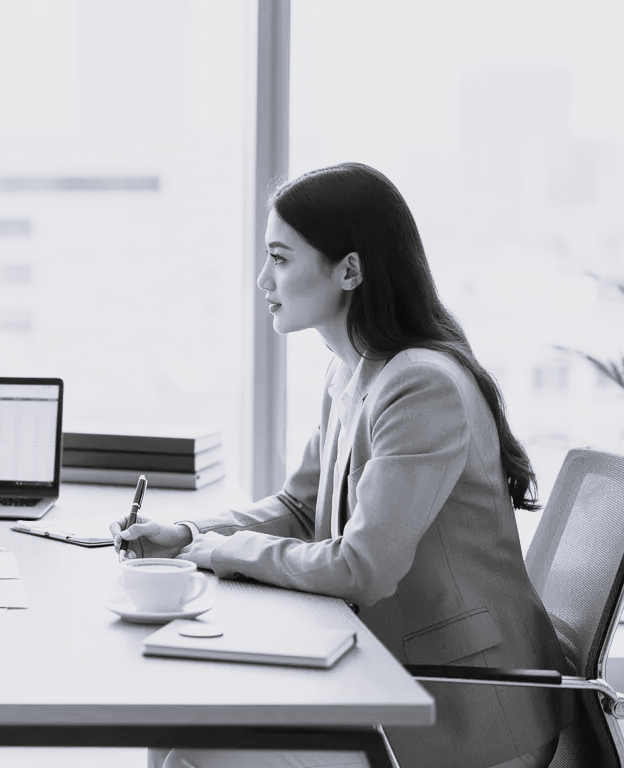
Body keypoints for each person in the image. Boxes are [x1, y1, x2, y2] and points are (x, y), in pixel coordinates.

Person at [113, 163, 568, 768]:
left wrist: (221, 552)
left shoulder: (421, 385)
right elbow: (300, 508)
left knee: (192, 755)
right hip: (386, 673)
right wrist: (189, 533)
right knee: (175, 726)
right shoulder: (352, 371)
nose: (262, 278)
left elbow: (361, 568)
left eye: (280, 258)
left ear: (349, 271)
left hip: (466, 709)